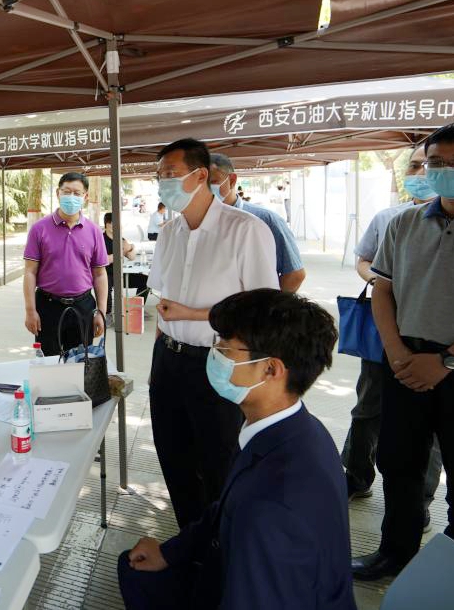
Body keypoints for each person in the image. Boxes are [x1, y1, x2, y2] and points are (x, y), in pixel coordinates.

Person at [352, 121, 454, 581]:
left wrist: (447, 361)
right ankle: (394, 553)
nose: (446, 170)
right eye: (437, 162)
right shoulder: (404, 222)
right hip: (406, 361)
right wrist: (395, 352)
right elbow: (383, 290)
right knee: (398, 463)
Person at [118, 289, 355, 610]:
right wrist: (170, 552)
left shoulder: (272, 509)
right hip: (228, 566)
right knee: (134, 569)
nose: (215, 355)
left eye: (225, 348)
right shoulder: (287, 427)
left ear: (271, 369)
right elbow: (224, 508)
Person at [149, 139, 278, 527]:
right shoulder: (169, 233)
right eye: (159, 176)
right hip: (168, 359)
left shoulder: (246, 230)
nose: (163, 183)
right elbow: (162, 302)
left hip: (217, 364)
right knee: (174, 458)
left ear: (200, 174)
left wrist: (191, 314)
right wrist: (158, 360)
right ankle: (190, 538)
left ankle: (223, 544)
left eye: (170, 174)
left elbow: (263, 311)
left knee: (219, 462)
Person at [344, 145, 442, 514]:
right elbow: (364, 260)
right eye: (414, 166)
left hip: (441, 343)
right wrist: (381, 282)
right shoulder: (390, 217)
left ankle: (420, 501)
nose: (420, 174)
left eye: (428, 166)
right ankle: (356, 476)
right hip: (384, 332)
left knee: (432, 424)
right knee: (368, 408)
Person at [23, 172, 108, 356]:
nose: (71, 197)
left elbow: (100, 274)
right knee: (49, 362)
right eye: (66, 191)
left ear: (85, 197)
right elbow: (30, 272)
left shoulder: (94, 231)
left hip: (83, 306)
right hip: (48, 306)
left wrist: (101, 312)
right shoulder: (39, 229)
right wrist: (30, 310)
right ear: (58, 193)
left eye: (77, 193)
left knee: (81, 361)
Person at [209, 154, 307, 293]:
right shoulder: (198, 221)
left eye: (213, 182)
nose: (206, 189)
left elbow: (295, 275)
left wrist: (268, 304)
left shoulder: (266, 220)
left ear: (232, 180)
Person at [103, 211, 136, 321]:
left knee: (145, 282)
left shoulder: (121, 239)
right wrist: (121, 251)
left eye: (117, 223)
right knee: (105, 287)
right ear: (106, 224)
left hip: (121, 274)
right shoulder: (100, 239)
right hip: (106, 274)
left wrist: (131, 247)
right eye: (112, 223)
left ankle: (135, 309)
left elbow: (131, 257)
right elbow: (104, 260)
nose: (115, 225)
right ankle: (107, 314)